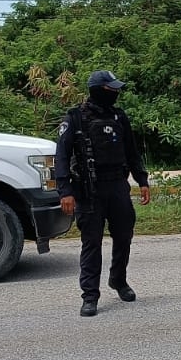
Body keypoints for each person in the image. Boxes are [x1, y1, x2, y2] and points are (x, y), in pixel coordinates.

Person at [56, 70, 152, 318]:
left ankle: (118, 280)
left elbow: (131, 151)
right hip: (89, 189)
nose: (116, 93)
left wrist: (142, 180)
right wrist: (65, 191)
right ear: (99, 90)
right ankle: (90, 296)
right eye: (112, 89)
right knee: (91, 243)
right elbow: (62, 157)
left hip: (117, 186)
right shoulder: (75, 118)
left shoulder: (119, 116)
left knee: (124, 236)